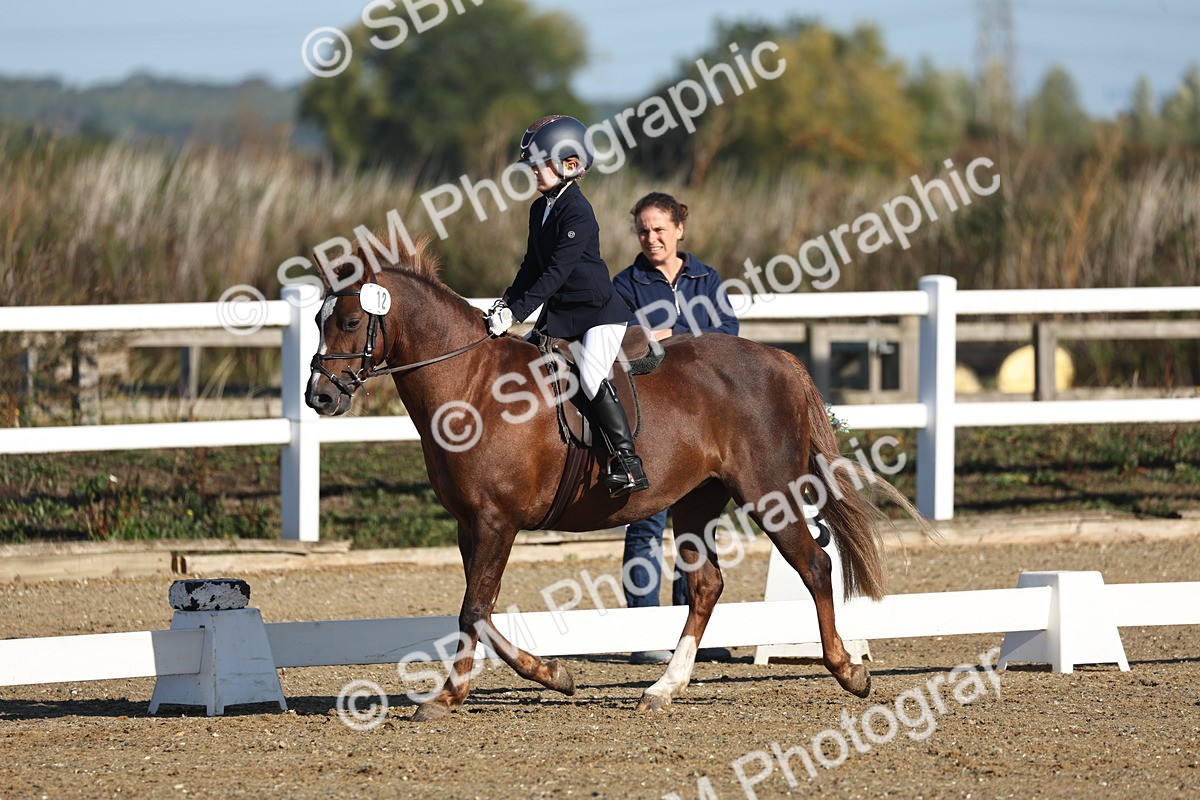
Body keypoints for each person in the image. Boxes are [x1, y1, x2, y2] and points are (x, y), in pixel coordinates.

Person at [484, 115, 649, 497]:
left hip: (597, 313)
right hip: (561, 313)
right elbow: (531, 266)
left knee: (591, 377)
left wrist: (518, 312)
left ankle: (628, 462)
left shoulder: (577, 211)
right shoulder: (539, 209)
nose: (533, 171)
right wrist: (505, 303)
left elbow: (557, 272)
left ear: (570, 165)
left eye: (539, 164)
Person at [612, 192, 739, 664]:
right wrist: (678, 336)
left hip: (702, 423)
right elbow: (624, 343)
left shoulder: (708, 278)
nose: (651, 238)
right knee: (644, 525)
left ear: (679, 229)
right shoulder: (624, 284)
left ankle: (692, 631)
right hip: (651, 421)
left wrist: (670, 336)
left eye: (659, 229)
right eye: (643, 231)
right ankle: (644, 634)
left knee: (698, 528)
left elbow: (729, 335)